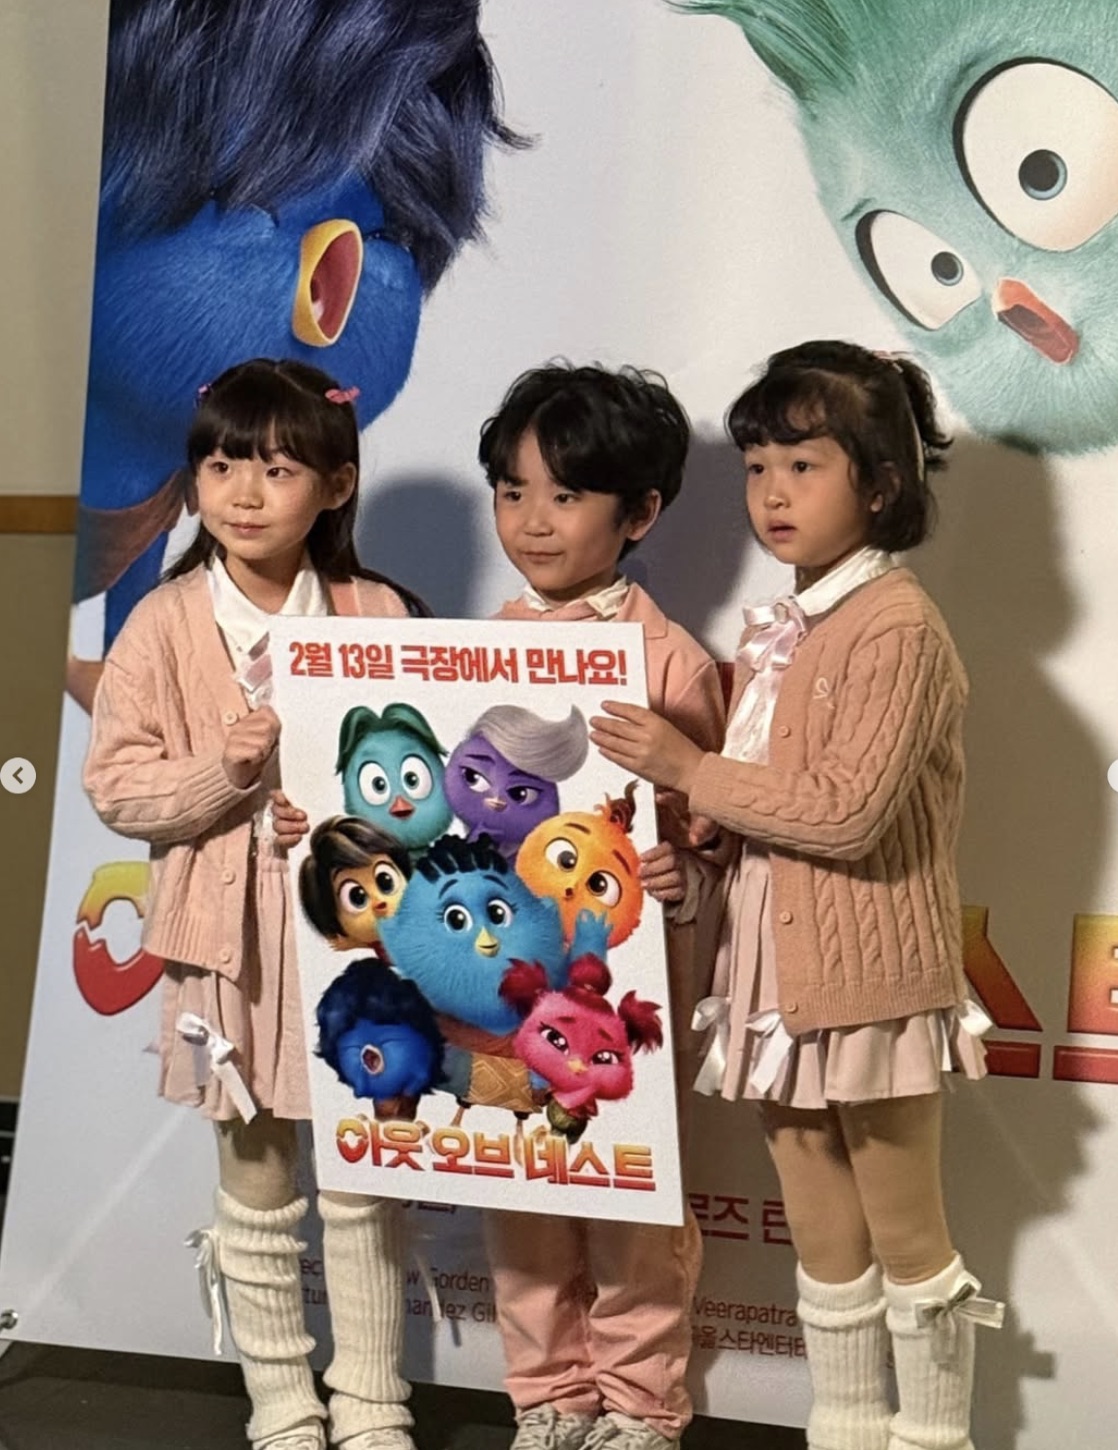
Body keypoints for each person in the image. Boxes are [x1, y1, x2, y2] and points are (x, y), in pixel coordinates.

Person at [591, 340, 1003, 1450]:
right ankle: (845, 1428)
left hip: (870, 971)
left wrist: (692, 772)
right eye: (758, 467)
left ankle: (932, 1438)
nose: (772, 493)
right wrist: (698, 835)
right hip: (776, 971)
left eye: (804, 466)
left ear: (880, 484)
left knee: (906, 1237)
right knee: (819, 1234)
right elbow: (764, 806)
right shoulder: (786, 625)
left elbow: (845, 812)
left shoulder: (896, 626)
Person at [83, 358, 425, 1450]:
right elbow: (116, 787)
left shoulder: (378, 612)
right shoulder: (164, 621)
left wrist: (348, 814)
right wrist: (225, 777)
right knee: (256, 1166)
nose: (242, 492)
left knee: (365, 1173)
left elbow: (423, 782)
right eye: (222, 463)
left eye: (277, 469)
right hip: (228, 943)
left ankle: (372, 1398)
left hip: (356, 939)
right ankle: (279, 1397)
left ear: (334, 484)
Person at [478, 362, 727, 1450]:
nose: (532, 521)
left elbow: (717, 832)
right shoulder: (469, 650)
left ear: (640, 513)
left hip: (626, 989)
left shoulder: (671, 663)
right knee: (520, 1181)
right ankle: (546, 1393)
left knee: (632, 1184)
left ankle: (638, 1402)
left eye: (565, 494)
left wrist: (683, 875)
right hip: (503, 978)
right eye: (512, 490)